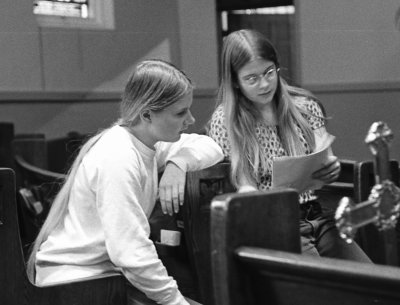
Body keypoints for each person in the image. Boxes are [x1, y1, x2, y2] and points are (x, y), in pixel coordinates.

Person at [27, 59, 224, 305]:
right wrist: (176, 302)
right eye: (181, 112)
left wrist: (178, 164)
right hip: (73, 284)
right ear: (147, 114)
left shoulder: (150, 142)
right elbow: (130, 252)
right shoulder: (119, 155)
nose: (191, 120)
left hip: (104, 278)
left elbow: (213, 147)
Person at [207, 29, 371, 262]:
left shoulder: (305, 107)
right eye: (251, 78)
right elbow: (243, 185)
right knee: (323, 289)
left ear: (277, 67)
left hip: (317, 215)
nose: (264, 84)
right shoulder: (226, 120)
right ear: (234, 81)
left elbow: (326, 159)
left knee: (373, 284)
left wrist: (331, 169)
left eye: (269, 72)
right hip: (271, 223)